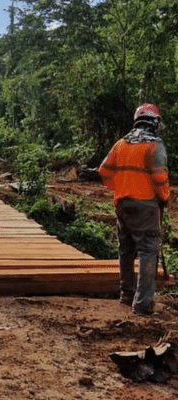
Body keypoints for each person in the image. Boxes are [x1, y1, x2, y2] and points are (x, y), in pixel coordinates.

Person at [98, 103, 170, 315]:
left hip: (122, 204)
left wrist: (118, 187)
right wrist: (164, 197)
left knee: (126, 250)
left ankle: (127, 295)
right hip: (145, 205)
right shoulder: (154, 146)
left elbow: (103, 170)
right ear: (155, 122)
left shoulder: (121, 144)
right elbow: (159, 177)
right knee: (148, 251)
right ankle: (143, 303)